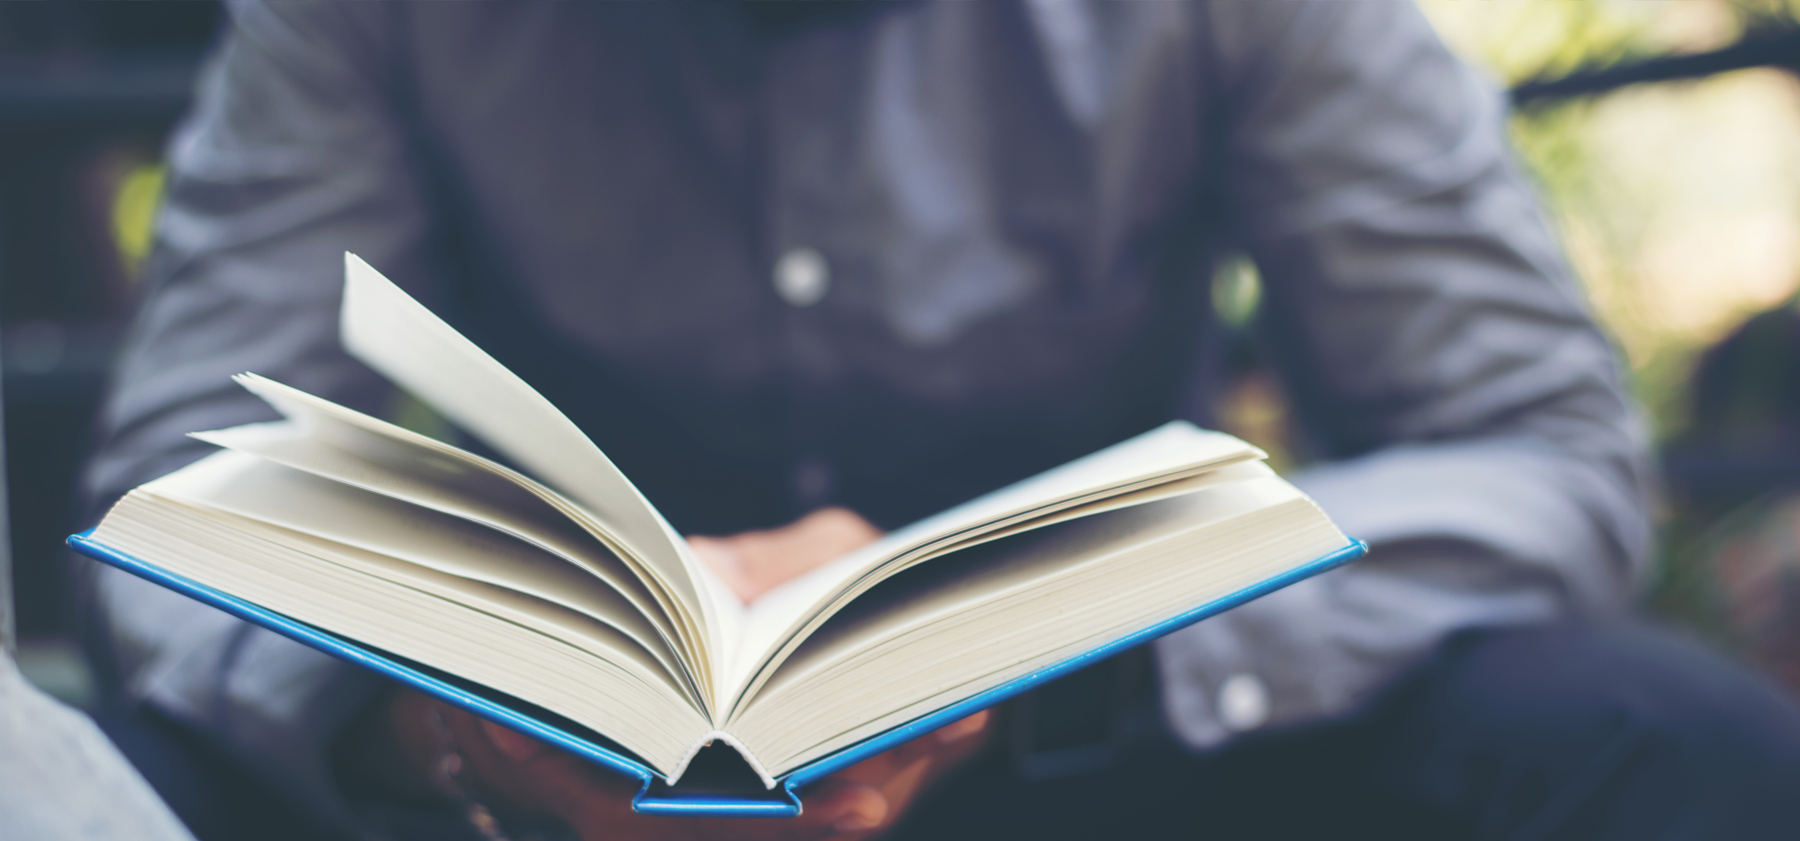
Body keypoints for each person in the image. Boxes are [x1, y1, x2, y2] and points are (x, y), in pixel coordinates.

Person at [81, 2, 1800, 839]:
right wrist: (433, 711)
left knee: (1661, 740)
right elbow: (182, 474)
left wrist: (1060, 637)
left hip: (1121, 737)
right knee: (99, 789)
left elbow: (1543, 451)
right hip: (544, 799)